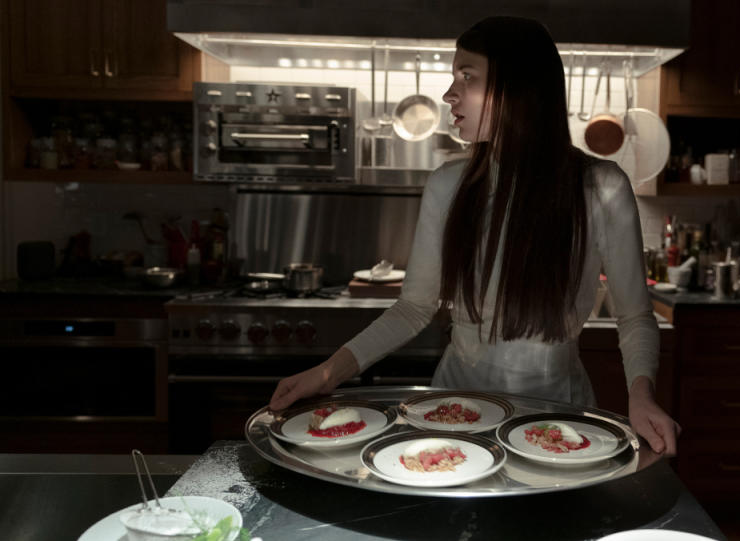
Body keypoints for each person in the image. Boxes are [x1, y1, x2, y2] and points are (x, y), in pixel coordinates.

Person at [270, 16, 680, 455]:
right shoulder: (448, 185)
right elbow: (413, 308)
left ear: (518, 89)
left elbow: (635, 316)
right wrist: (329, 373)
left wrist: (641, 395)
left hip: (556, 414)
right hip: (453, 413)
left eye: (467, 77)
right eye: (454, 77)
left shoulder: (602, 187)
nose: (449, 93)